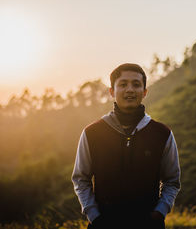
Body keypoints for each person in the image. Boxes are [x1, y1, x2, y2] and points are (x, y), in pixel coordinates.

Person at [72, 63, 181, 229]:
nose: (130, 89)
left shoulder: (162, 133)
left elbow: (172, 181)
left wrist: (159, 213)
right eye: (123, 84)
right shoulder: (91, 133)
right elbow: (81, 179)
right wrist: (95, 216)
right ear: (112, 91)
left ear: (144, 92)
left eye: (136, 85)